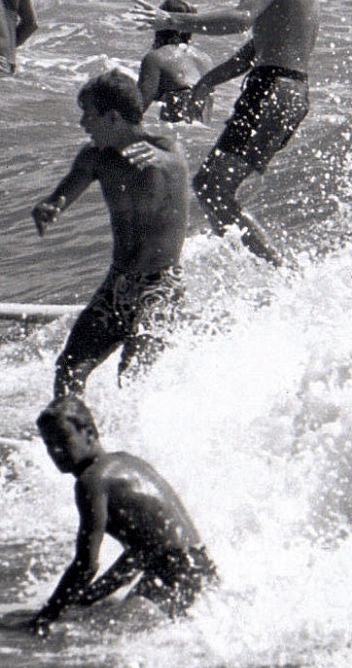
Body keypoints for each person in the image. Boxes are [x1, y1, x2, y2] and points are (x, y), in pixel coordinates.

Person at [130, 0, 318, 267]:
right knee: (214, 188)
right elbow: (253, 52)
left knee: (211, 187)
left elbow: (241, 18)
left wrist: (173, 20)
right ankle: (265, 271)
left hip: (273, 90)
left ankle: (278, 273)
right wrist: (205, 83)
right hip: (290, 91)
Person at [32, 69, 190, 399]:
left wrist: (162, 160)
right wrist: (50, 207)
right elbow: (63, 194)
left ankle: (134, 444)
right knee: (69, 368)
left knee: (132, 376)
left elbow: (176, 164)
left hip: (161, 287)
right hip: (116, 287)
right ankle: (76, 439)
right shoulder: (95, 158)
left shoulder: (164, 148)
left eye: (88, 114)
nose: (82, 124)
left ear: (113, 117)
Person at [25, 396, 216, 638]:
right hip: (199, 568)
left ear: (90, 433)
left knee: (97, 640)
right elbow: (142, 551)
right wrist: (89, 597)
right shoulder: (124, 461)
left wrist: (45, 618)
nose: (56, 451)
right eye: (48, 444)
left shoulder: (92, 481)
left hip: (175, 573)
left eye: (63, 439)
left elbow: (86, 565)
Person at [135, 0, 214, 125]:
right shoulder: (206, 60)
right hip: (204, 138)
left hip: (176, 136)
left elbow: (136, 110)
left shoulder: (156, 58)